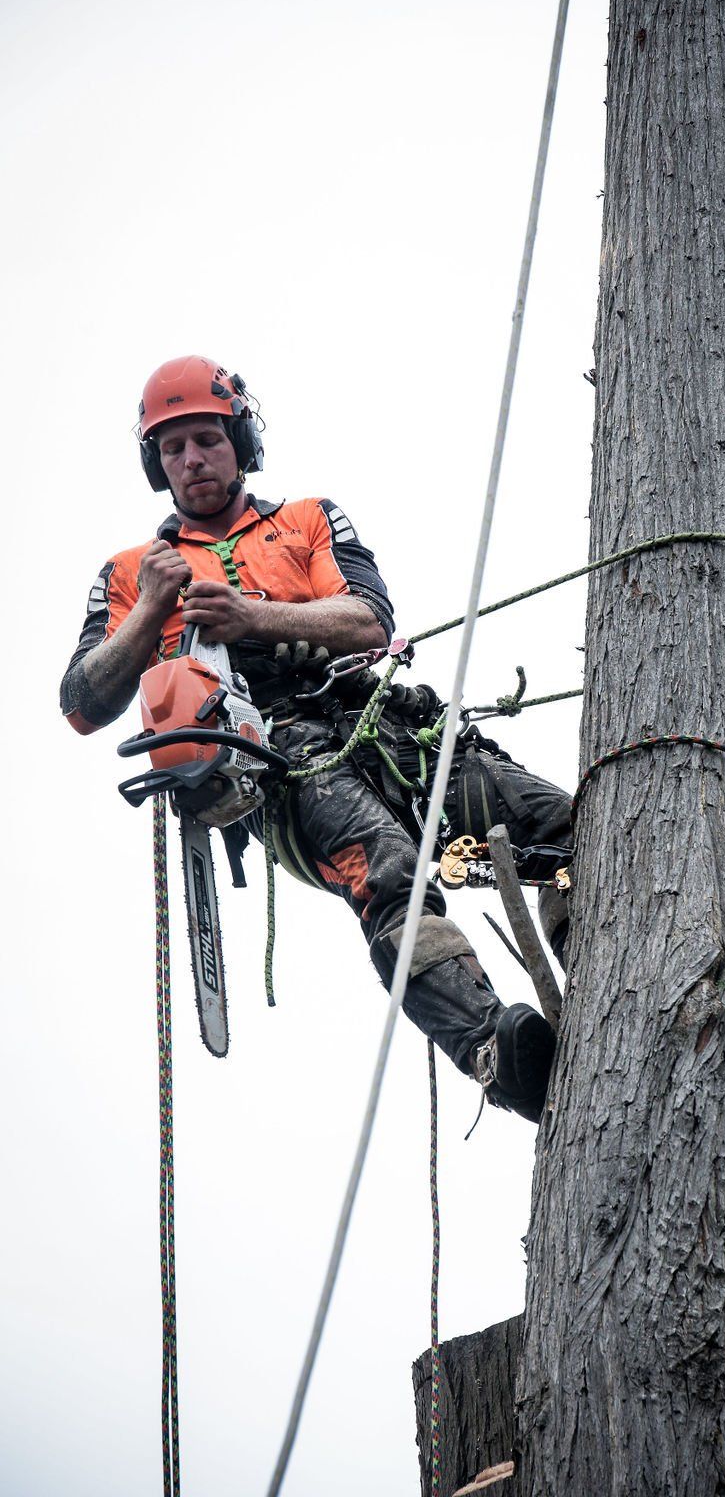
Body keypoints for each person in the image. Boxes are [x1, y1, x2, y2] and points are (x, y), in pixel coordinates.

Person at [60, 356, 571, 1120]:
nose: (192, 459)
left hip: (385, 722)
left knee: (563, 828)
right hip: (278, 760)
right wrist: (153, 609)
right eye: (173, 448)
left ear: (238, 438)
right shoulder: (133, 571)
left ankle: (608, 978)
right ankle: (493, 1051)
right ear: (154, 462)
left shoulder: (305, 520)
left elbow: (369, 618)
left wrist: (251, 616)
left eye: (206, 438)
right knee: (389, 874)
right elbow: (81, 700)